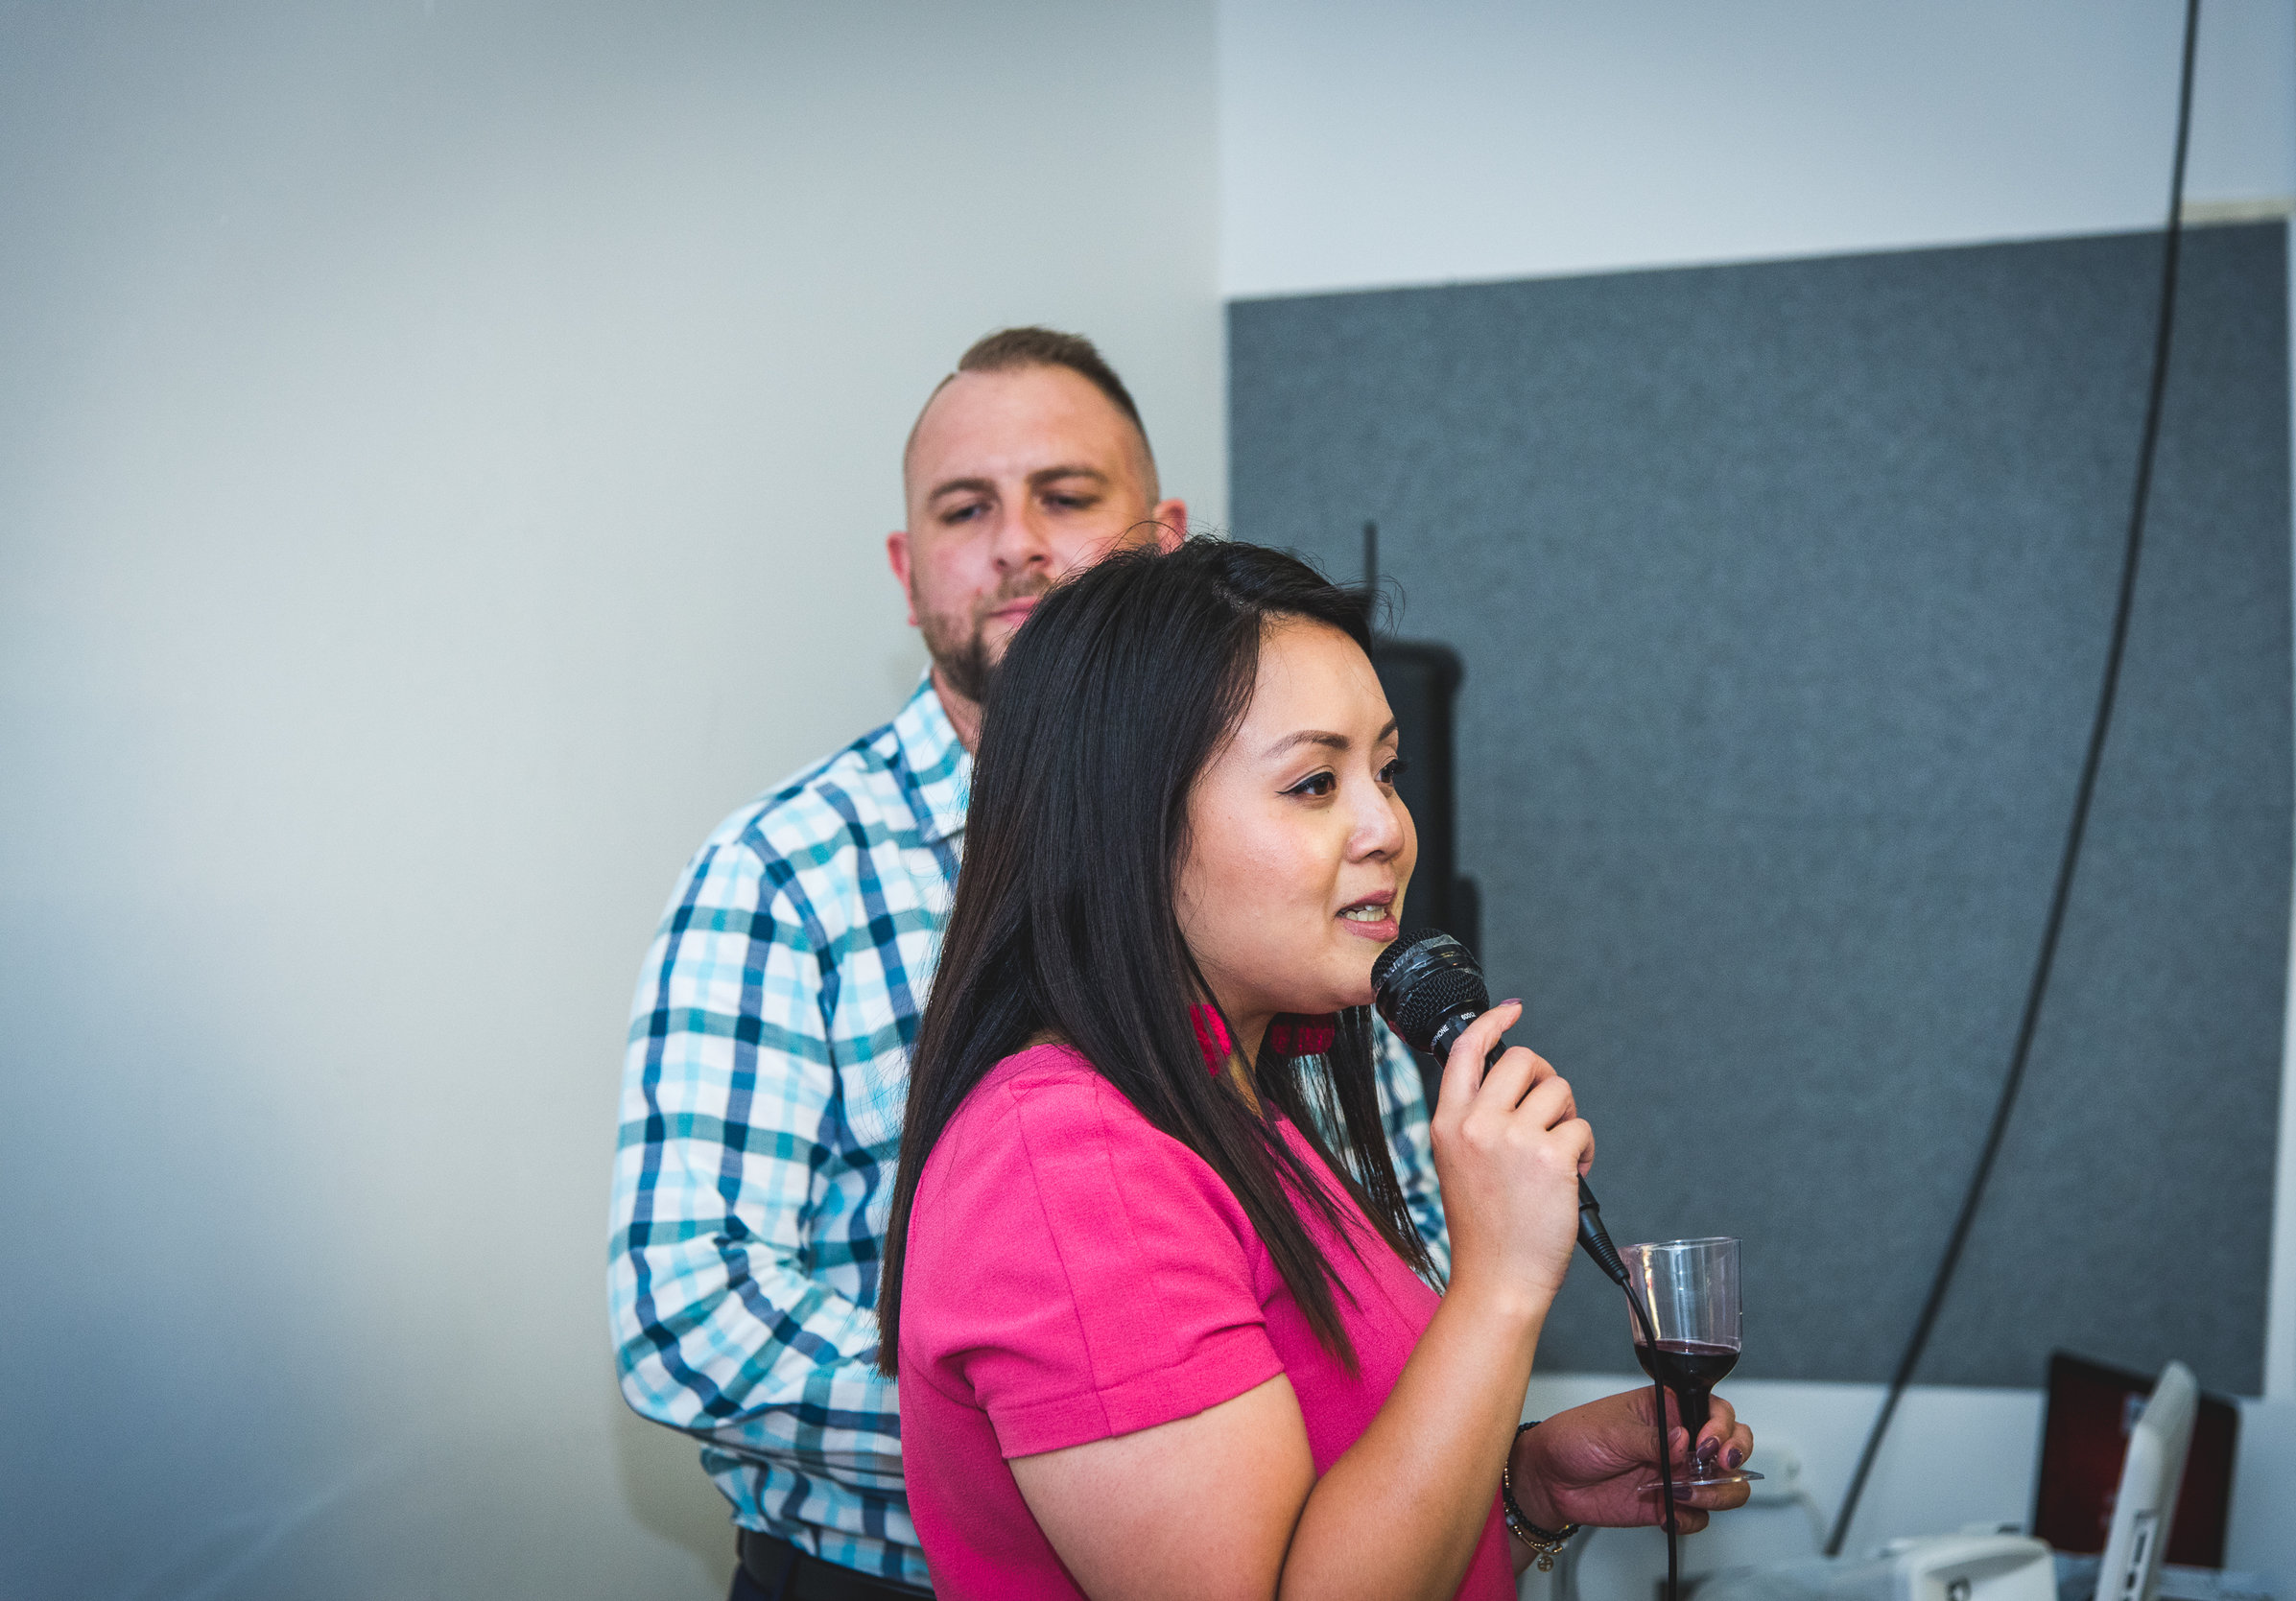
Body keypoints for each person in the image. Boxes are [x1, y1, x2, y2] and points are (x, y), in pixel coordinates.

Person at [608, 329, 1449, 1599]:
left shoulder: (1284, 886)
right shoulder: (789, 873)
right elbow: (688, 1315)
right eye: (965, 509)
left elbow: (1393, 1228)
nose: (1017, 545)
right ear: (908, 572)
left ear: (1167, 542)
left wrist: (1298, 1427)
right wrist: (1072, 1422)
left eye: (1066, 496)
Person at [882, 539, 1751, 1599]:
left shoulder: (1237, 1108)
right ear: (1129, 828)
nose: (1387, 827)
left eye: (1384, 773)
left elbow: (1348, 1534)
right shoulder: (1068, 1166)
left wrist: (1522, 1487)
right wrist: (1499, 1288)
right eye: (1311, 783)